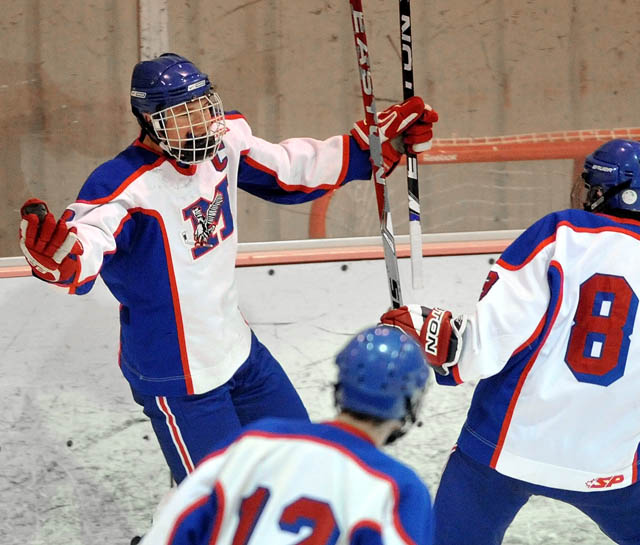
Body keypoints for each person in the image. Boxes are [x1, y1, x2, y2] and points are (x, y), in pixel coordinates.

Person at [17, 52, 438, 484]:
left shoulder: (226, 141)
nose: (198, 122)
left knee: (300, 470)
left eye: (202, 107)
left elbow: (290, 171)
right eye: (181, 115)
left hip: (239, 352)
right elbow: (84, 245)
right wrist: (61, 262)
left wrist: (368, 149)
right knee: (219, 507)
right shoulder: (122, 185)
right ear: (149, 121)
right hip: (178, 377)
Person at [380, 139, 640, 545]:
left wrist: (445, 341)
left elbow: (483, 344)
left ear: (599, 189)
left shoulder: (559, 233)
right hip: (607, 463)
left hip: (502, 451)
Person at [140, 325, 433, 545]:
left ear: (339, 386)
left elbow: (170, 530)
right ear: (410, 404)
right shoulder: (397, 489)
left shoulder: (254, 443)